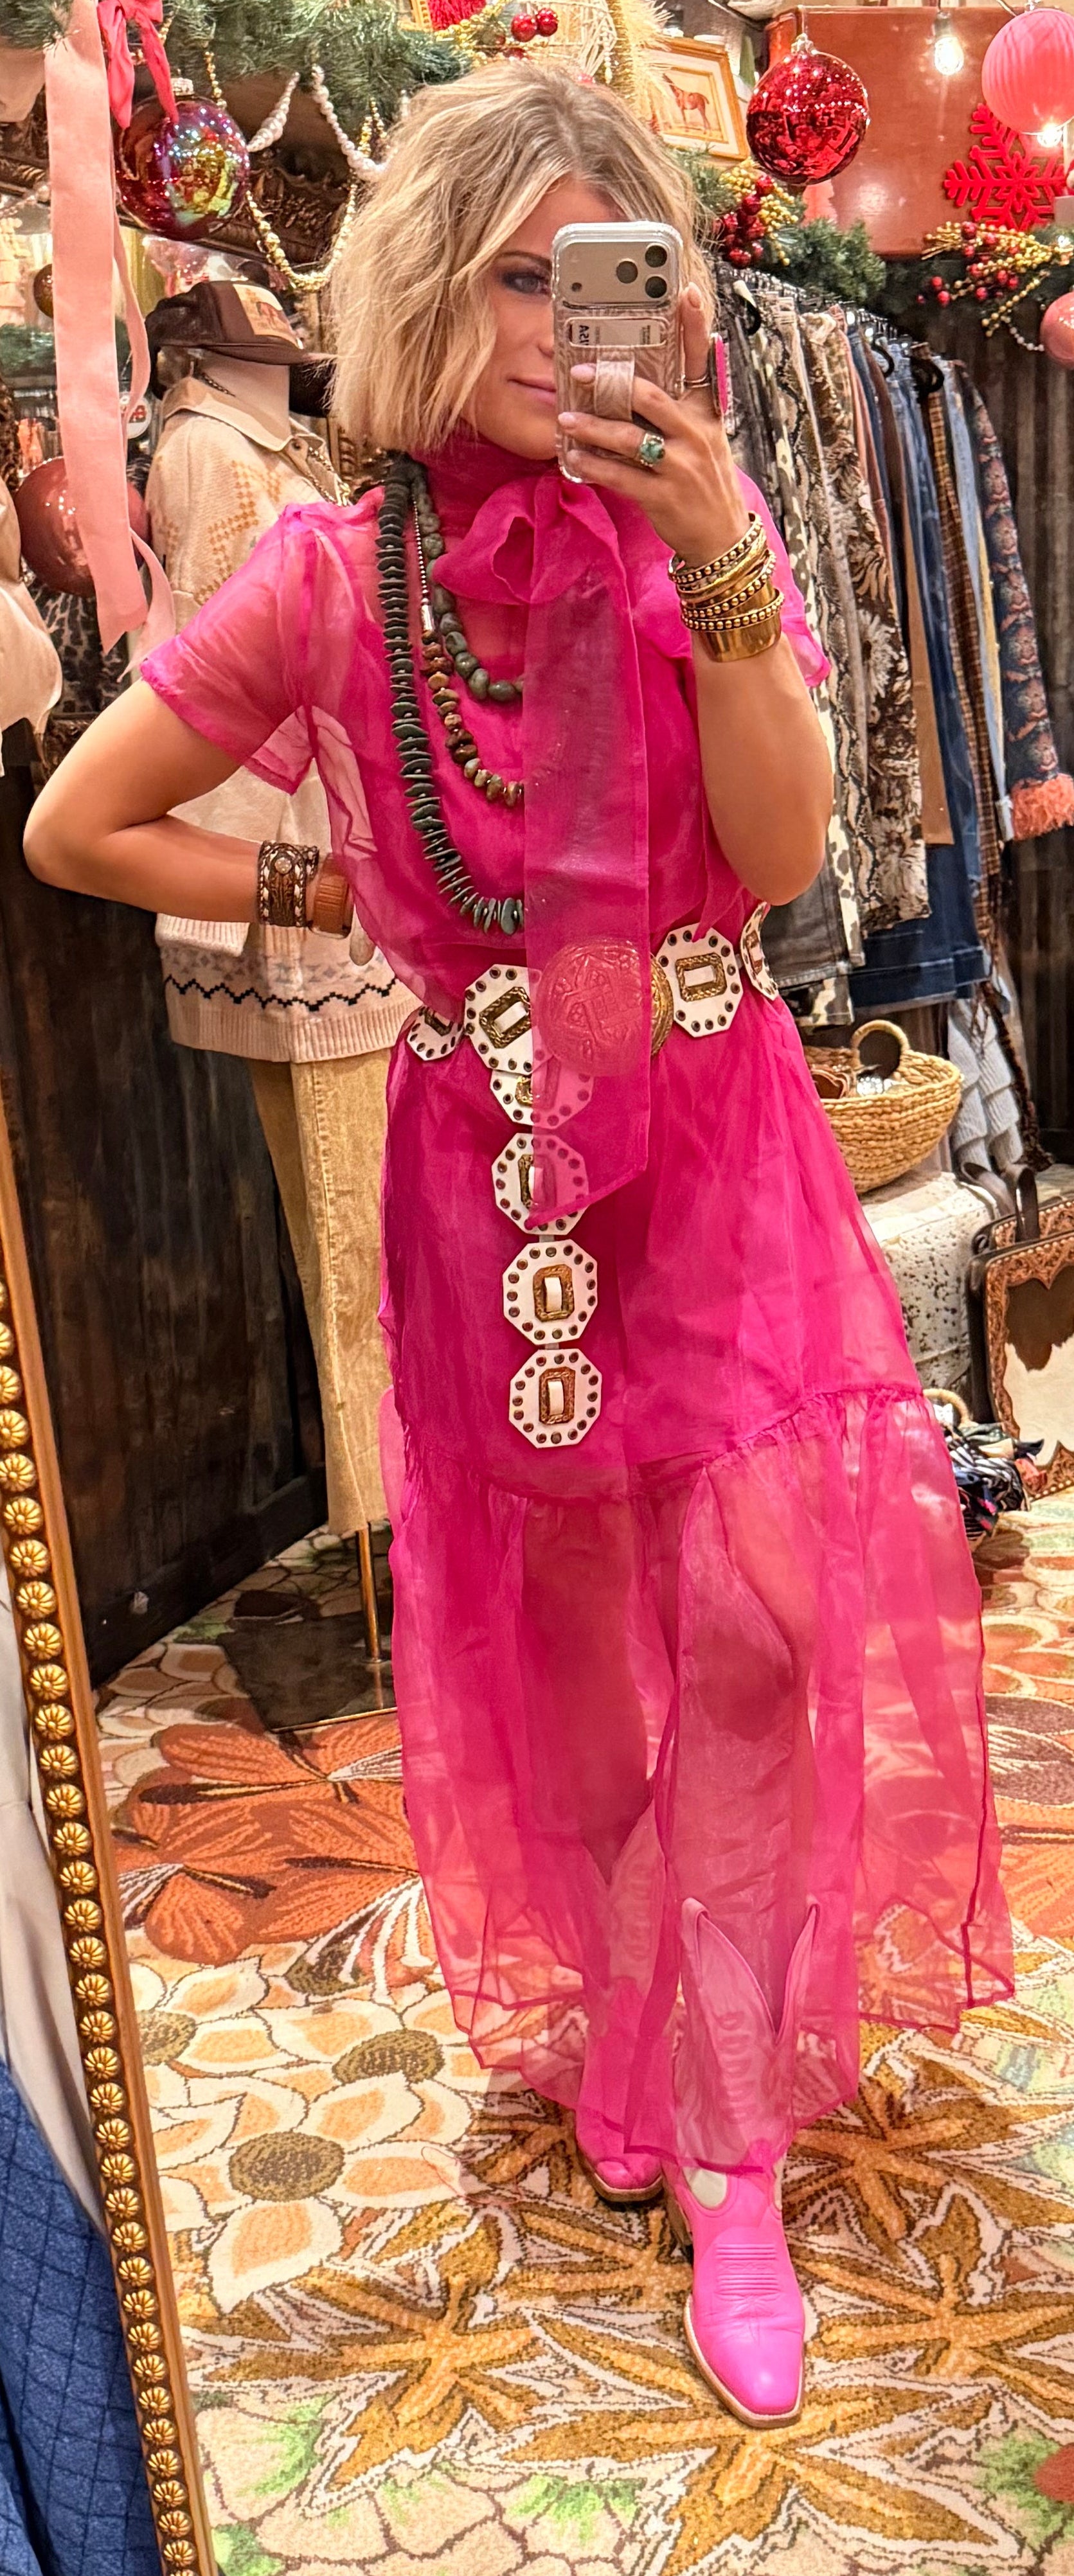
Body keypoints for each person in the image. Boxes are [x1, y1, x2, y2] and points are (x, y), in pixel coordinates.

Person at [25, 64, 1011, 2429]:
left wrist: (730, 570)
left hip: (722, 1147)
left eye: (617, 278)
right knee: (569, 1662)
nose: (576, 328)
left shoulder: (701, 522)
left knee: (763, 1632)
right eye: (522, 277)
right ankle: (644, 2020)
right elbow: (79, 821)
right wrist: (335, 888)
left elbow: (780, 855)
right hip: (496, 1182)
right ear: (421, 287)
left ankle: (733, 2139)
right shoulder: (329, 575)